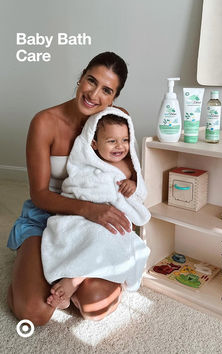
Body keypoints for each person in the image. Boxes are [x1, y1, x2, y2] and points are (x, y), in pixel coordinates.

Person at [7, 52, 133, 325]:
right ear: (81, 77)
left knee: (94, 305)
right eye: (91, 80)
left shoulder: (116, 122)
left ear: (114, 99)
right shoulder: (44, 122)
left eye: (106, 90)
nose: (94, 94)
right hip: (46, 215)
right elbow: (39, 194)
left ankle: (78, 278)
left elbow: (127, 173)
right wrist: (90, 209)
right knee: (34, 312)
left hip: (93, 221)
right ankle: (30, 263)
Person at [41, 110, 150, 309]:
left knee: (105, 237)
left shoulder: (127, 165)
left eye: (125, 140)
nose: (120, 146)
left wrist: (132, 187)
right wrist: (96, 199)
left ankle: (74, 279)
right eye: (111, 141)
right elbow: (75, 187)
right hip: (82, 216)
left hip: (111, 218)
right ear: (93, 144)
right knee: (83, 236)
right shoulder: (85, 166)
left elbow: (140, 195)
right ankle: (73, 277)